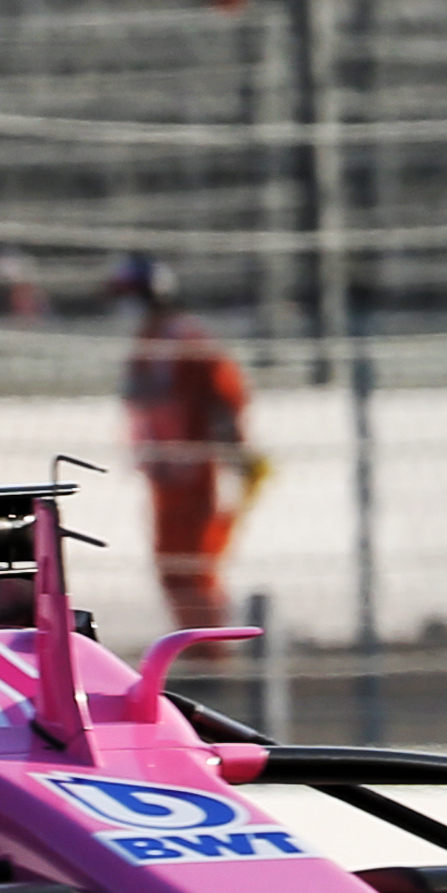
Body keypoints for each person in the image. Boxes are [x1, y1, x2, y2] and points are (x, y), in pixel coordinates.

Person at [110, 253, 254, 630]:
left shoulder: (186, 339)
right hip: (164, 474)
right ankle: (192, 644)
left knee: (195, 567)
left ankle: (212, 655)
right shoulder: (146, 343)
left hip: (195, 471)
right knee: (171, 567)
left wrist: (236, 451)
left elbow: (226, 394)